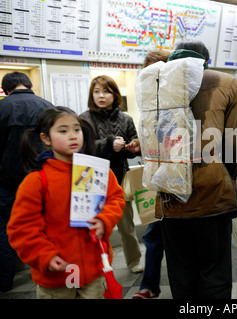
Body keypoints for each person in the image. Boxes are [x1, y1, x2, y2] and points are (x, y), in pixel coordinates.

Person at [153, 40, 237, 299]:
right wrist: (229, 176)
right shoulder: (228, 83)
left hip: (169, 195)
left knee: (181, 274)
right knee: (213, 272)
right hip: (211, 195)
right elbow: (234, 140)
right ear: (206, 60)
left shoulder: (157, 81)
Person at [7, 106, 125, 299]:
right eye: (63, 131)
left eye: (76, 129)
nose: (72, 136)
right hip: (57, 276)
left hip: (94, 270)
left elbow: (115, 198)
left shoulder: (96, 171)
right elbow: (22, 228)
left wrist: (105, 219)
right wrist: (45, 255)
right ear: (46, 138)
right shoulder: (37, 180)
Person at [80, 75, 143, 273]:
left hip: (119, 179)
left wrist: (134, 147)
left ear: (115, 95)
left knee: (127, 226)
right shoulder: (84, 119)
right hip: (92, 180)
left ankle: (134, 261)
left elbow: (135, 142)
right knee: (94, 227)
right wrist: (108, 144)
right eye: (96, 91)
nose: (101, 95)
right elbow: (82, 148)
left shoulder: (125, 119)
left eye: (106, 91)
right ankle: (96, 264)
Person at [0, 72, 53, 293]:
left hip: (5, 183)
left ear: (5, 89)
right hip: (42, 180)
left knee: (5, 229)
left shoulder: (2, 108)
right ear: (29, 84)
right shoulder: (47, 107)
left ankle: (4, 281)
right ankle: (49, 273)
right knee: (46, 226)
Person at [132, 49, 171, 300]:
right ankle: (148, 286)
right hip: (155, 180)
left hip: (183, 181)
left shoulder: (182, 101)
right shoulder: (147, 106)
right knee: (153, 234)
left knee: (178, 237)